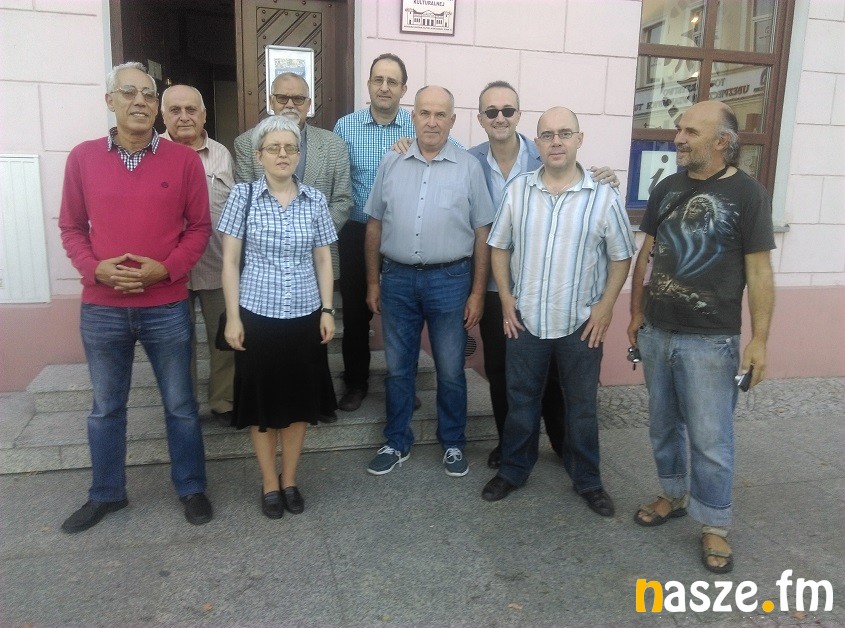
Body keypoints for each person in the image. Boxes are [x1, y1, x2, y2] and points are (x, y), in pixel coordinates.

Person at [58, 62, 213, 533]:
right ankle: (106, 493)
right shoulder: (82, 158)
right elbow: (71, 227)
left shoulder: (184, 161)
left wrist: (165, 269)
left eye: (148, 94)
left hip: (166, 305)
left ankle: (192, 487)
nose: (140, 101)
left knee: (181, 405)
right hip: (102, 308)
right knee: (106, 408)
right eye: (129, 92)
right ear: (110, 101)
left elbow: (199, 228)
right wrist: (95, 269)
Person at [627, 100, 775, 573]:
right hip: (657, 330)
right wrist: (636, 313)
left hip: (711, 340)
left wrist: (759, 340)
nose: (679, 139)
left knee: (712, 438)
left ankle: (714, 523)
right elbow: (647, 253)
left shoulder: (749, 195)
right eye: (679, 129)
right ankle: (673, 494)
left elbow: (759, 271)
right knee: (662, 424)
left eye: (691, 132)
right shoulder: (667, 187)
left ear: (722, 142)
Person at [482, 107, 635, 518]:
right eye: (547, 135)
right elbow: (499, 246)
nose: (556, 142)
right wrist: (506, 299)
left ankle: (588, 480)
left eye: (564, 133)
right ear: (537, 143)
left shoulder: (603, 196)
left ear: (579, 139)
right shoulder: (518, 190)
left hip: (581, 324)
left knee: (581, 407)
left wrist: (605, 308)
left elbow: (621, 257)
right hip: (526, 321)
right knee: (520, 402)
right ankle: (513, 470)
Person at [468, 80, 620, 470]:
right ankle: (511, 450)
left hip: (550, 294)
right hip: (498, 289)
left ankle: (563, 445)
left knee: (555, 378)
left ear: (518, 116)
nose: (500, 117)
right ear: (481, 118)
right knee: (504, 375)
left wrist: (606, 176)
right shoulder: (469, 161)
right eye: (491, 111)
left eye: (507, 110)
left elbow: (576, 184)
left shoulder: (543, 159)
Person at [364, 86, 495, 477]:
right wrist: (373, 282)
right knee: (398, 369)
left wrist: (477, 291)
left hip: (451, 281)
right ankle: (396, 441)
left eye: (441, 115)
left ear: (452, 120)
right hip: (397, 280)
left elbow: (483, 232)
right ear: (413, 117)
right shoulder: (392, 161)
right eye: (425, 113)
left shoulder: (469, 167)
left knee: (451, 369)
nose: (432, 122)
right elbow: (374, 224)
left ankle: (453, 443)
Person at [219, 117, 338, 519]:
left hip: (305, 317)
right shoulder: (243, 197)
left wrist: (327, 309)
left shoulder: (315, 200)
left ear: (299, 155)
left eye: (290, 147)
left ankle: (290, 479)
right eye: (274, 148)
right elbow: (230, 261)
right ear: (259, 155)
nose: (283, 154)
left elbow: (323, 259)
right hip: (258, 317)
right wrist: (233, 318)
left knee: (299, 404)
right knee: (262, 407)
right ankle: (269, 483)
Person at [332, 54, 413, 412]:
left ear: (403, 89)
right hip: (356, 232)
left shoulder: (417, 127)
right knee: (355, 311)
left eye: (392, 81)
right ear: (368, 85)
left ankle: (403, 383)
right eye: (378, 79)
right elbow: (336, 179)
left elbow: (458, 156)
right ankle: (355, 382)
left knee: (403, 314)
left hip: (403, 234)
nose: (384, 87)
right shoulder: (345, 127)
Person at [161, 84, 236, 425]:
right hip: (167, 272)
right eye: (175, 110)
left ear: (204, 115)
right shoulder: (151, 153)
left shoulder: (222, 155)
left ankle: (223, 401)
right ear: (163, 116)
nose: (184, 117)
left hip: (216, 264)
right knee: (177, 344)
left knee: (223, 340)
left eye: (191, 110)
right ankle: (184, 405)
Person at [234, 72, 350, 288]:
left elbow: (342, 201)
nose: (290, 105)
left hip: (319, 261)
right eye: (282, 98)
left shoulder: (333, 145)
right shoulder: (247, 144)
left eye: (298, 99)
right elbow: (246, 206)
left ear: (309, 104)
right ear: (271, 102)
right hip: (265, 266)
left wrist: (309, 237)